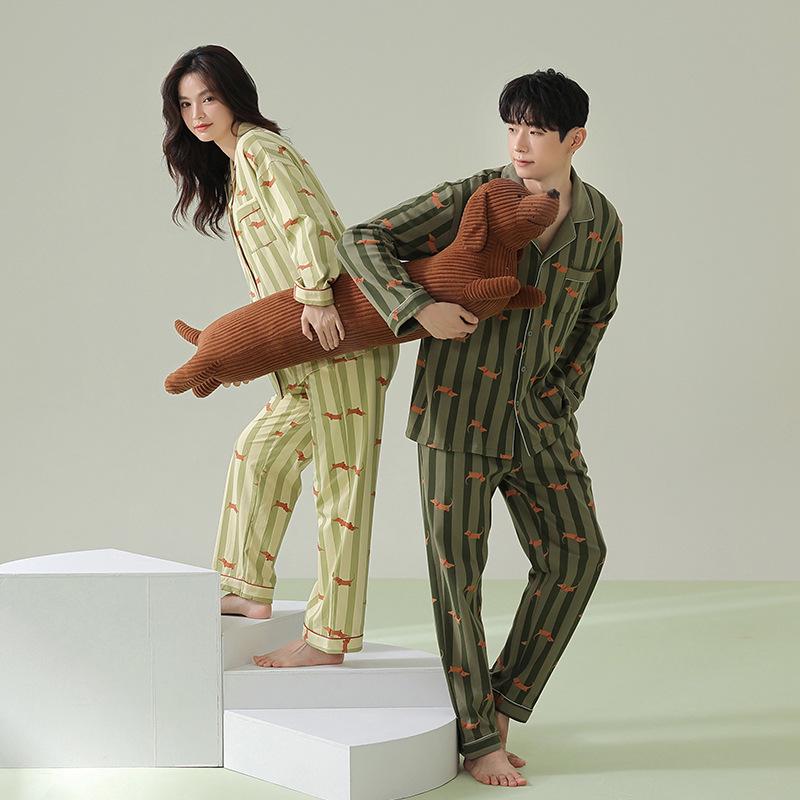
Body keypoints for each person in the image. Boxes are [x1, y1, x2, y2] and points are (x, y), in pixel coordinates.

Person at [335, 69, 623, 787]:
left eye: (536, 131)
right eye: (512, 128)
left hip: (541, 423)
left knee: (577, 555)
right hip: (455, 417)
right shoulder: (472, 197)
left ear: (575, 139)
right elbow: (361, 239)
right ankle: (477, 740)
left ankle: (501, 702)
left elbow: (596, 313)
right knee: (457, 580)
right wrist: (414, 308)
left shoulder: (600, 221)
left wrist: (564, 393)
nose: (519, 144)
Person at [160, 45, 399, 667]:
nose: (197, 113)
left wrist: (318, 296)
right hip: (302, 349)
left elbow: (306, 222)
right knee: (258, 454)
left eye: (208, 98)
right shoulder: (237, 164)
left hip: (335, 338)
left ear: (234, 95)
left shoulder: (259, 148)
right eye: (186, 104)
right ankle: (245, 590)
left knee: (342, 491)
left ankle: (328, 640)